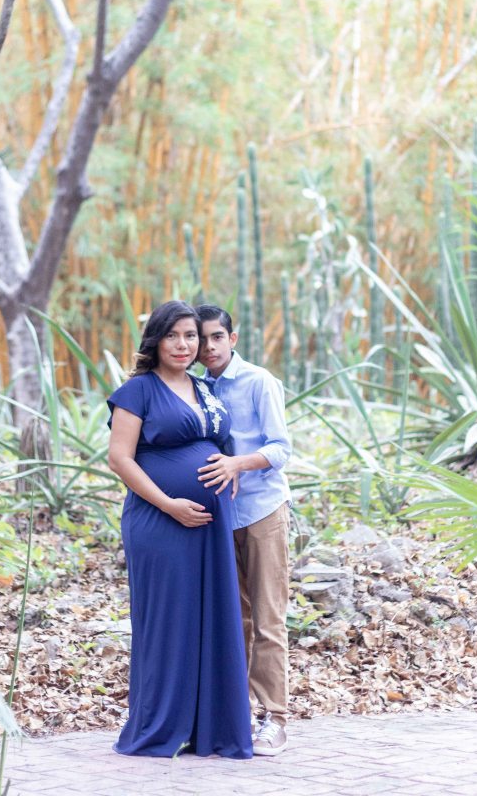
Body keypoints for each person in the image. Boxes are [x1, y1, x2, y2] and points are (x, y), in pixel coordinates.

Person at [107, 300, 252, 759]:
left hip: (209, 527)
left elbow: (224, 445)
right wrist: (170, 504)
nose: (185, 344)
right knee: (169, 622)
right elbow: (120, 458)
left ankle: (208, 728)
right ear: (157, 339)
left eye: (191, 336)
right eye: (174, 335)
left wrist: (233, 471)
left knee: (212, 619)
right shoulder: (138, 391)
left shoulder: (204, 389)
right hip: (159, 521)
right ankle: (159, 726)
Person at [196, 304, 291, 757]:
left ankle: (275, 716)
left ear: (233, 339)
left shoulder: (259, 382)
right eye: (202, 339)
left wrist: (238, 463)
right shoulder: (194, 388)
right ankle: (239, 713)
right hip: (217, 518)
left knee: (269, 618)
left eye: (218, 337)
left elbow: (280, 448)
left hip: (262, 509)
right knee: (235, 620)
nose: (209, 347)